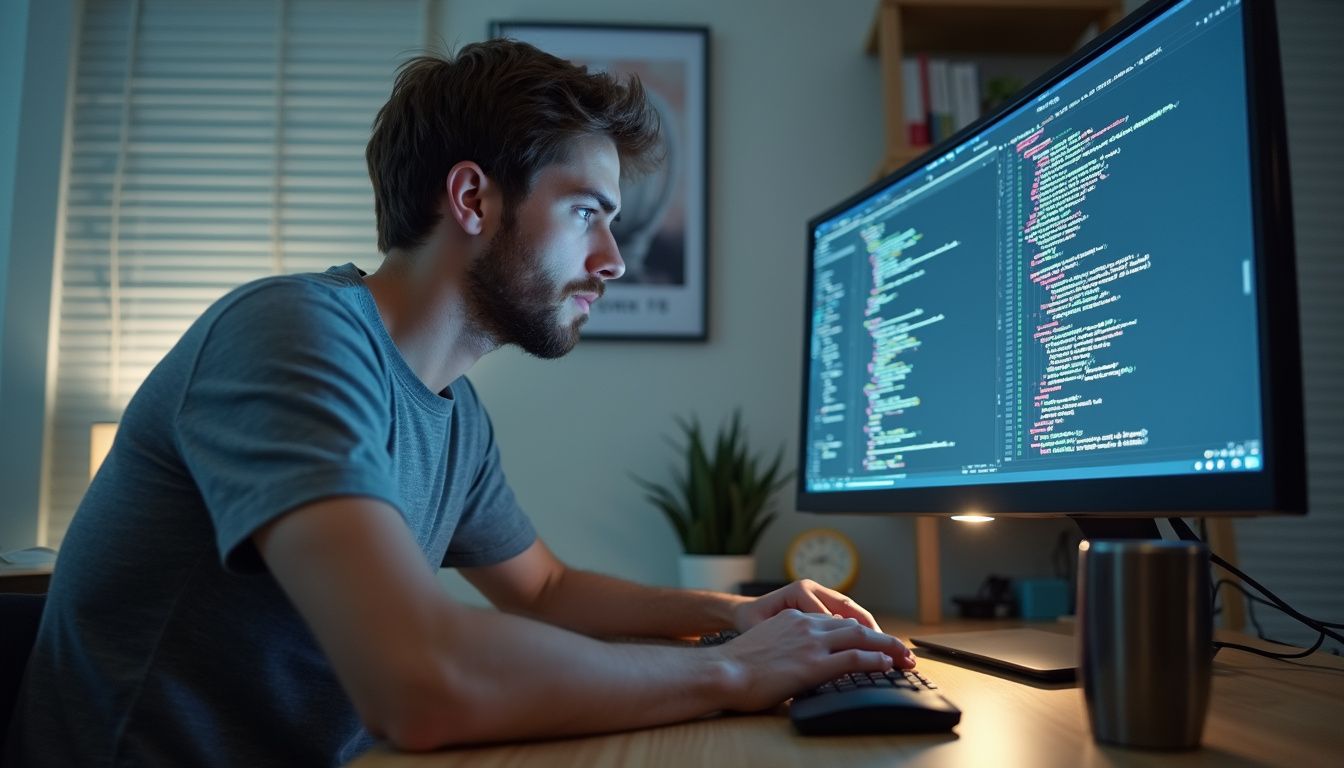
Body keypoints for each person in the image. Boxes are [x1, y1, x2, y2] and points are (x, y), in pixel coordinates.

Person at [4, 40, 912, 767]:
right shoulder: (290, 333)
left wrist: (736, 617)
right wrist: (725, 673)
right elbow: (420, 683)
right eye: (587, 212)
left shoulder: (452, 412)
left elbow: (547, 590)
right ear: (473, 197)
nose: (613, 260)